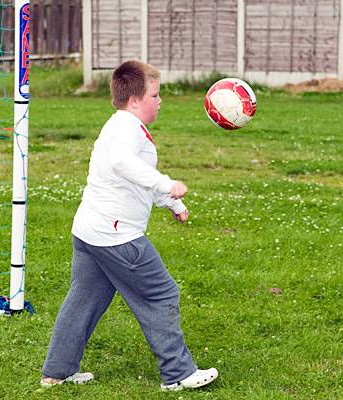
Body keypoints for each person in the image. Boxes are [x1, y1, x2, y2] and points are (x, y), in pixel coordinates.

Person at [40, 60, 218, 391]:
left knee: (83, 299)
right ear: (135, 99)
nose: (160, 100)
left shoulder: (121, 125)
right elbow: (124, 164)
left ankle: (57, 372)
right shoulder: (125, 130)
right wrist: (167, 184)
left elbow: (133, 176)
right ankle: (178, 373)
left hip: (90, 231)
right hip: (115, 236)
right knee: (161, 293)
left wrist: (171, 203)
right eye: (155, 94)